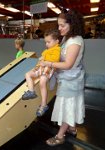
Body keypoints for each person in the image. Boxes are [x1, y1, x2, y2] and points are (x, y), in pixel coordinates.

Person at [45, 10, 85, 146]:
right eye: (59, 25)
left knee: (68, 106)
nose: (59, 28)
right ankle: (72, 128)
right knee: (70, 105)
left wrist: (49, 63)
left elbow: (68, 64)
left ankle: (60, 135)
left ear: (72, 24)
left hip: (71, 80)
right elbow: (60, 56)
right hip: (67, 79)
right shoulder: (67, 38)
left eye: (62, 25)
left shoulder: (75, 41)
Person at [22, 30, 61, 117]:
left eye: (48, 42)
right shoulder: (47, 50)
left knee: (42, 82)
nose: (46, 44)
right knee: (27, 74)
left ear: (57, 41)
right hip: (40, 67)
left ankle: (44, 104)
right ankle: (31, 91)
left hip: (48, 68)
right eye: (45, 42)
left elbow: (54, 59)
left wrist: (44, 58)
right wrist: (40, 61)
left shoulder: (57, 49)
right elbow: (41, 59)